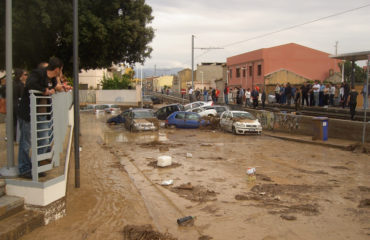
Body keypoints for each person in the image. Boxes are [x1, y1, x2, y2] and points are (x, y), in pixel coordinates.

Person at [17, 57, 64, 179]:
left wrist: (61, 88)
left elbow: (54, 88)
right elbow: (30, 84)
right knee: (26, 142)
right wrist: (44, 91)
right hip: (28, 114)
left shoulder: (53, 79)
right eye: (61, 70)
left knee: (44, 141)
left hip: (42, 115)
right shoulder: (37, 73)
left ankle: (36, 166)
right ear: (57, 69)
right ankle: (24, 169)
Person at [13, 69, 28, 141]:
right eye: (25, 75)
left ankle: (13, 137)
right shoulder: (21, 85)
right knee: (20, 123)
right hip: (18, 105)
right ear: (21, 75)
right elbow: (22, 96)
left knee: (13, 122)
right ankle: (17, 138)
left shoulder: (11, 83)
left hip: (11, 105)